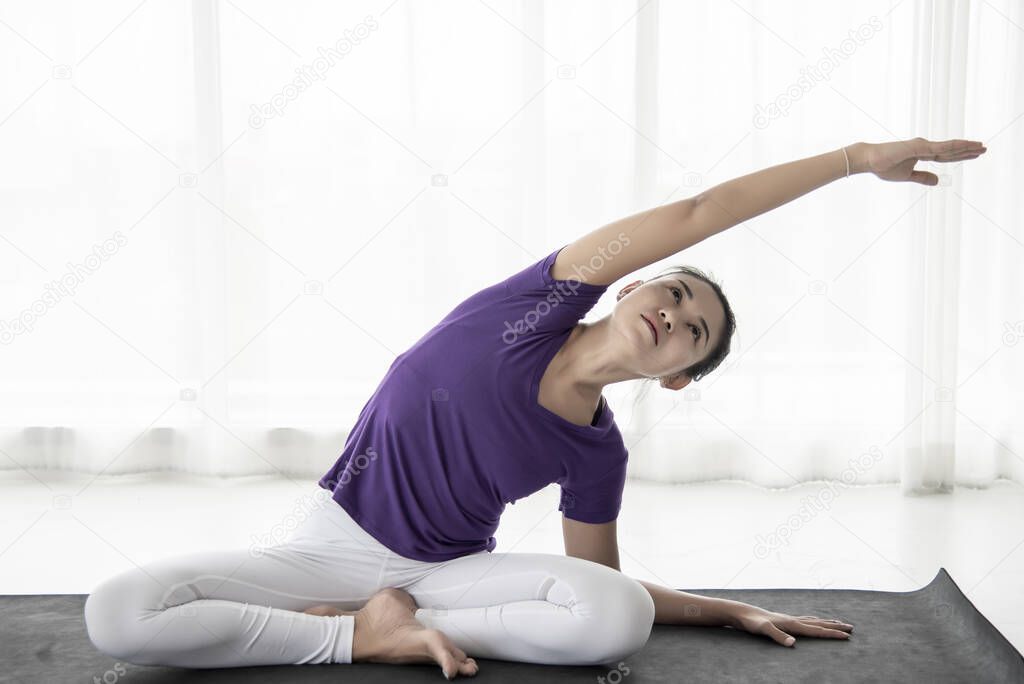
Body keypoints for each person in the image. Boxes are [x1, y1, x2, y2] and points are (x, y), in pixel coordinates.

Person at [83, 137, 985, 679]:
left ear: (676, 376)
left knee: (611, 622)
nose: (673, 316)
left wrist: (726, 610)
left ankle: (389, 624)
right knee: (120, 613)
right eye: (673, 294)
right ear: (631, 281)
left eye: (692, 334)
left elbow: (601, 587)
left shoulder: (598, 452)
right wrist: (856, 161)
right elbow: (704, 209)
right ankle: (357, 638)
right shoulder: (532, 301)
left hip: (445, 574)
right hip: (326, 544)